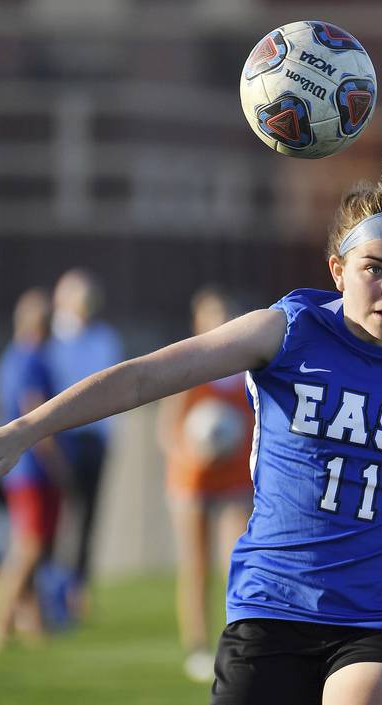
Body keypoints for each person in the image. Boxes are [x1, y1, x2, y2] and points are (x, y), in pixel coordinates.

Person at [0, 29, 382, 705]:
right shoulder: (288, 330)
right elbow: (145, 375)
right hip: (274, 605)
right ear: (337, 270)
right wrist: (26, 428)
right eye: (373, 270)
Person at [156, 287, 255, 683]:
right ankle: (197, 647)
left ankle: (239, 641)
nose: (219, 321)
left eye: (226, 313)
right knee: (196, 566)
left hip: (235, 480)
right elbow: (168, 431)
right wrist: (193, 453)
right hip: (191, 481)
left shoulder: (250, 368)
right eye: (211, 314)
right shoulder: (189, 367)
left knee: (241, 562)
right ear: (198, 322)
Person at [0, 288, 68, 652]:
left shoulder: (11, 357)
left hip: (21, 469)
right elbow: (36, 415)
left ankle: (31, 621)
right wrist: (58, 463)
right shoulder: (32, 359)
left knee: (32, 544)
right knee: (29, 547)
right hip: (33, 469)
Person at [48, 267, 123, 618]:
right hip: (64, 439)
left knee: (88, 517)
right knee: (56, 516)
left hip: (94, 438)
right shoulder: (51, 342)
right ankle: (49, 591)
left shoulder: (105, 337)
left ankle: (78, 590)